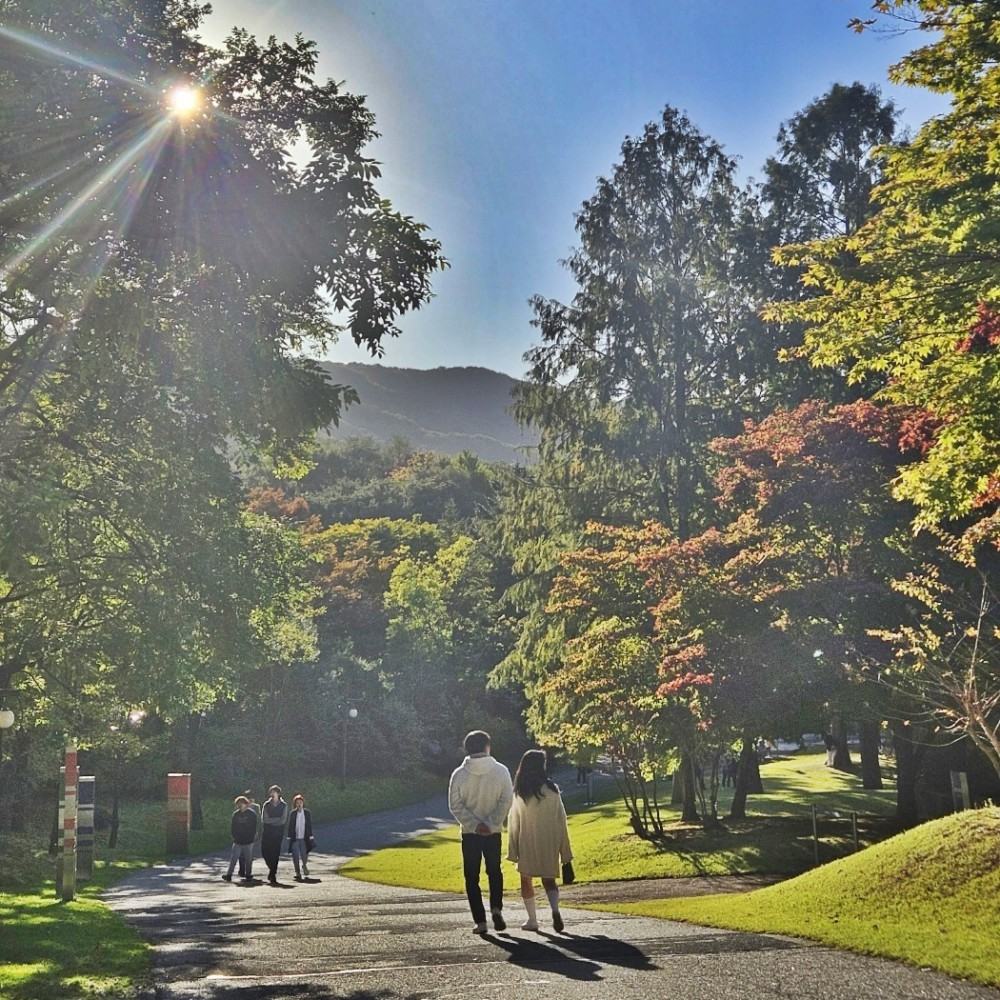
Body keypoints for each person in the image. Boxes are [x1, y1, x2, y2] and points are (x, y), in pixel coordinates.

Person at [448, 729, 514, 935]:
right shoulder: (501, 771)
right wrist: (491, 823)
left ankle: (480, 921)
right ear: (486, 747)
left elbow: (455, 805)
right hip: (493, 832)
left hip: (470, 833)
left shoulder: (459, 774)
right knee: (494, 871)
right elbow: (506, 800)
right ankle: (496, 908)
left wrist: (474, 824)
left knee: (471, 876)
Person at [506, 749, 573, 933]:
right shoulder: (552, 791)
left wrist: (513, 850)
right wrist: (565, 852)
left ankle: (532, 920)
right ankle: (555, 911)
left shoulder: (521, 792)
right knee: (549, 881)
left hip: (527, 841)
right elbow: (561, 819)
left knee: (526, 880)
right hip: (549, 841)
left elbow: (514, 821)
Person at [222, 795, 258, 882]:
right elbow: (233, 827)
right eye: (238, 804)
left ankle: (248, 874)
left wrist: (251, 837)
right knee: (233, 858)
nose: (240, 805)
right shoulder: (236, 815)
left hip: (248, 840)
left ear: (246, 804)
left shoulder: (251, 814)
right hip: (238, 840)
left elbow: (254, 827)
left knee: (248, 859)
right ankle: (229, 874)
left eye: (241, 803)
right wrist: (235, 836)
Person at [260, 784, 288, 884]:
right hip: (267, 832)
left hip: (278, 833)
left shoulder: (284, 805)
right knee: (265, 852)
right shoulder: (266, 805)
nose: (271, 794)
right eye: (270, 792)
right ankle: (271, 868)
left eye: (273, 792)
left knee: (275, 853)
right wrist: (275, 820)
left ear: (278, 793)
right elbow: (264, 819)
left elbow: (283, 820)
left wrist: (272, 821)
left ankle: (272, 873)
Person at [286, 793, 314, 881]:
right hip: (295, 838)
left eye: (300, 802)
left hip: (304, 838)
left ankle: (304, 865)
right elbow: (290, 826)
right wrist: (289, 837)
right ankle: (297, 873)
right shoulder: (293, 813)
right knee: (295, 856)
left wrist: (311, 836)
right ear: (295, 804)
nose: (299, 804)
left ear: (303, 803)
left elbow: (309, 825)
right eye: (297, 803)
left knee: (304, 855)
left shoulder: (307, 813)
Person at [237, 789, 262, 878]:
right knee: (241, 853)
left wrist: (257, 831)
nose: (250, 800)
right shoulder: (241, 807)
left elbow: (258, 820)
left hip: (251, 832)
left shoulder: (256, 807)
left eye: (251, 798)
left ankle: (248, 871)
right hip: (242, 832)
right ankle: (242, 869)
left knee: (249, 852)